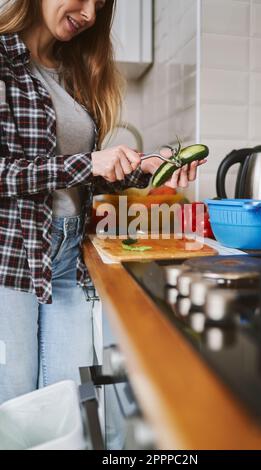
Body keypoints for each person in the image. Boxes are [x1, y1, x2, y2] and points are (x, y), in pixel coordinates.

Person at [0, 0, 205, 447]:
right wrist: (89, 161)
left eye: (103, 4)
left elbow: (84, 175)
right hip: (11, 259)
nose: (92, 13)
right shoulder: (2, 60)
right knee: (13, 411)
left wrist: (149, 167)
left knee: (68, 403)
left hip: (71, 257)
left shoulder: (71, 73)